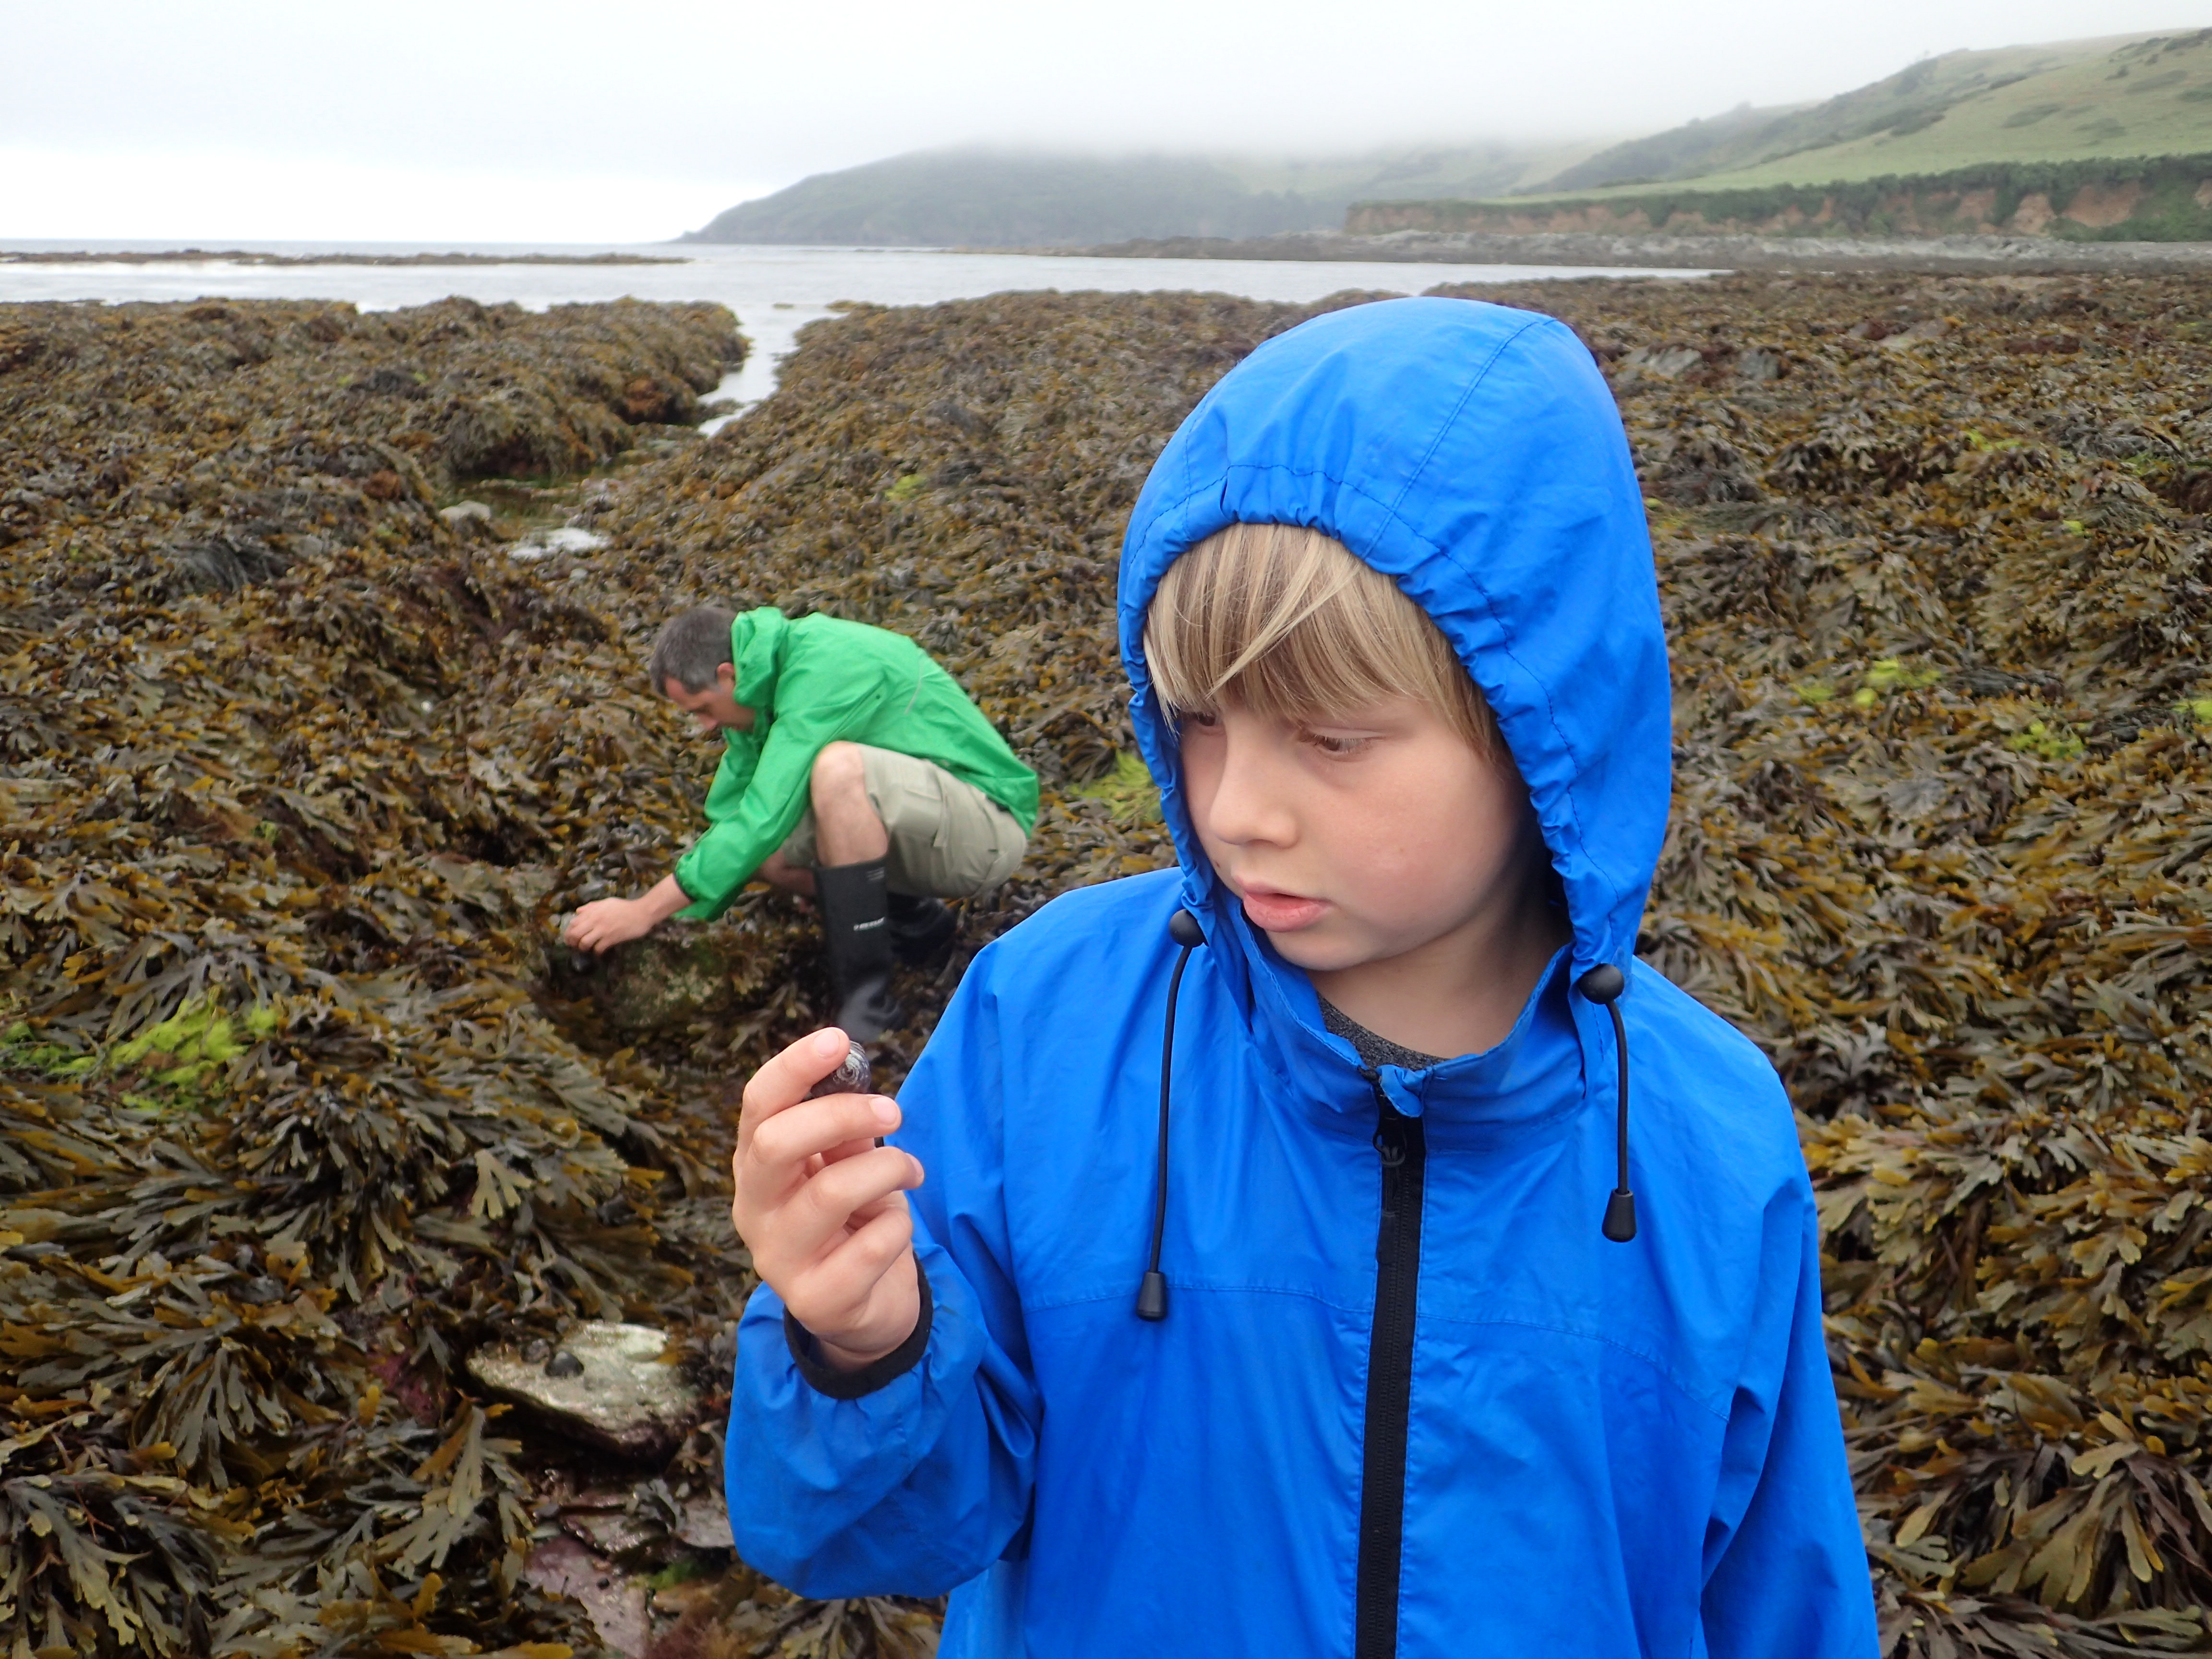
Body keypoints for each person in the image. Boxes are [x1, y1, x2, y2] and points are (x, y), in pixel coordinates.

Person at [720, 298, 1879, 1656]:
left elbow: (1781, 1605)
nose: (1237, 810)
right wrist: (859, 1350)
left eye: (1330, 738)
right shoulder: (1045, 1024)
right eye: (1200, 724)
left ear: (1540, 732)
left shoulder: (1708, 1134)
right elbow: (876, 1534)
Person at [564, 604, 1037, 1041]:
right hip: (928, 828)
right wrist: (664, 919)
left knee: (838, 772)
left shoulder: (823, 666)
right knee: (767, 853)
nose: (706, 726)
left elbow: (762, 816)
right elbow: (735, 825)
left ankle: (868, 1005)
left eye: (703, 710)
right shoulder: (758, 699)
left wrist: (645, 909)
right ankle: (917, 925)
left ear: (727, 675)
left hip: (988, 828)